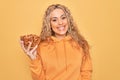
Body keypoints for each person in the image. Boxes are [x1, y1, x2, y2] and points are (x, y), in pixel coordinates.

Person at [20, 4, 92, 80]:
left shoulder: (81, 44)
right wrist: (33, 59)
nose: (60, 23)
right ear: (49, 24)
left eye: (63, 18)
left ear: (68, 20)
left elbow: (86, 73)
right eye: (54, 20)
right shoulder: (41, 47)